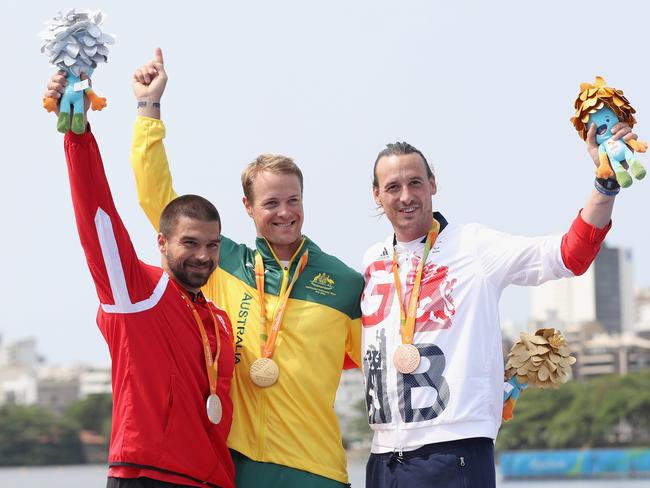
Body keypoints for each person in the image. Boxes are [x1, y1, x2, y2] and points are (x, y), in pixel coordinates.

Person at [129, 49, 364, 488]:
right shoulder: (224, 263)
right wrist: (149, 109)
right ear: (249, 208)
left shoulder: (346, 284)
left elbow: (381, 362)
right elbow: (158, 200)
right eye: (271, 203)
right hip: (234, 465)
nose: (284, 213)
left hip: (317, 470)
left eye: (293, 200)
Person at [360, 124, 632, 487]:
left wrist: (605, 184)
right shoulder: (372, 261)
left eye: (415, 183)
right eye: (393, 187)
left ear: (433, 184)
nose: (406, 195)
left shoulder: (473, 246)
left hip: (453, 452)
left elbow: (569, 255)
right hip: (383, 460)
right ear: (377, 195)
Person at [45, 73, 235, 488]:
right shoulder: (137, 293)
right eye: (190, 243)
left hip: (213, 480)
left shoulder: (219, 321)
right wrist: (79, 139)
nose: (203, 256)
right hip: (149, 475)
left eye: (212, 245)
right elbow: (98, 220)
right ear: (162, 243)